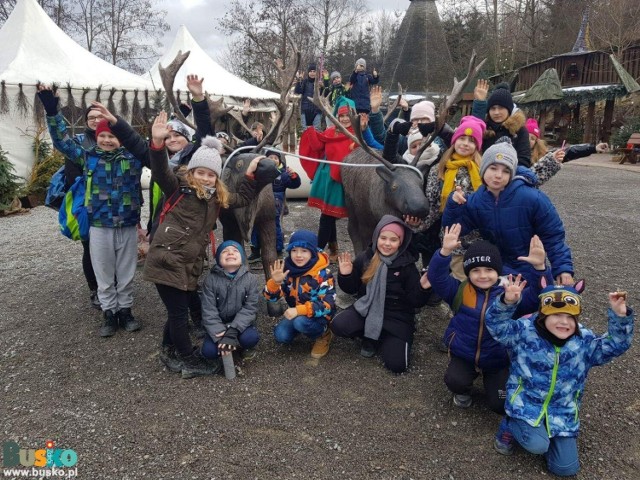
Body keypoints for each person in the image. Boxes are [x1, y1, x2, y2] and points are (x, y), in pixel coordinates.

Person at [144, 112, 264, 379]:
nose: (206, 178)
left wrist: (252, 176)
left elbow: (242, 198)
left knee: (180, 308)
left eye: (211, 175)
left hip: (188, 264)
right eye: (201, 173)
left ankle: (168, 348)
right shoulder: (177, 186)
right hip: (167, 260)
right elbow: (160, 168)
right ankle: (188, 357)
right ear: (192, 171)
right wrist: (156, 143)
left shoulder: (215, 198)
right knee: (178, 313)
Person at [486, 279, 634, 477]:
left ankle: (549, 434)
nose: (564, 322)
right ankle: (510, 424)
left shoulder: (584, 341)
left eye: (570, 317)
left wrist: (620, 316)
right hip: (525, 406)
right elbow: (496, 326)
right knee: (538, 445)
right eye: (556, 315)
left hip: (563, 414)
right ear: (542, 315)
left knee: (566, 469)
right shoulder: (524, 332)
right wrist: (507, 302)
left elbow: (616, 345)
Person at [428, 225, 551, 410]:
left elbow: (541, 297)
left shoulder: (510, 294)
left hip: (498, 358)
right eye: (475, 270)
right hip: (465, 352)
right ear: (468, 273)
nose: (483, 275)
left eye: (488, 269)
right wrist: (444, 252)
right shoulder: (460, 291)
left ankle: (497, 380)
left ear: (497, 271)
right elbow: (436, 277)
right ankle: (463, 389)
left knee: (500, 405)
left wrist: (540, 268)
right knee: (455, 381)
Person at [53, 113, 148, 337]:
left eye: (112, 136)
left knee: (126, 271)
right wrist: (51, 111)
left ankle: (125, 311)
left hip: (127, 223)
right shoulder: (88, 158)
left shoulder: (133, 158)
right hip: (99, 224)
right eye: (102, 135)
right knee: (103, 271)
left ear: (121, 139)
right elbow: (61, 141)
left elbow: (149, 150)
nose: (106, 140)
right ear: (96, 138)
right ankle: (109, 312)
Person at [442, 139, 575, 286]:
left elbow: (553, 236)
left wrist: (563, 268)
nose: (498, 175)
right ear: (483, 168)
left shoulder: (532, 198)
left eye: (506, 171)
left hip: (530, 268)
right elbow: (455, 229)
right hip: (496, 271)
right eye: (493, 168)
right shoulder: (476, 200)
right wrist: (453, 204)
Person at [332, 216, 433, 373]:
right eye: (383, 238)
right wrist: (346, 275)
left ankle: (382, 336)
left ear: (401, 242)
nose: (387, 243)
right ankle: (371, 336)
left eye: (393, 240)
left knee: (397, 365)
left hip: (397, 316)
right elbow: (352, 289)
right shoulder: (365, 258)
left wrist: (423, 288)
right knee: (338, 325)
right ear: (376, 237)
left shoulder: (407, 265)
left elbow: (415, 301)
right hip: (368, 309)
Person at [37, 86, 102, 309]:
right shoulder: (81, 144)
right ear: (86, 121)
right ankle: (95, 289)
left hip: (116, 206)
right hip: (88, 205)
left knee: (114, 248)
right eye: (91, 117)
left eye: (100, 116)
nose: (95, 120)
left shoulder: (117, 140)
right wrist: (51, 110)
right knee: (90, 247)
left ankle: (113, 286)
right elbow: (60, 140)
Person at [299, 99, 382, 260]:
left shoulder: (359, 132)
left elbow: (376, 148)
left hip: (349, 181)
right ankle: (327, 250)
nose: (344, 119)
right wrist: (310, 129)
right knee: (327, 216)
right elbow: (317, 146)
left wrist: (364, 131)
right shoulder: (331, 131)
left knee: (344, 218)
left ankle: (321, 252)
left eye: (347, 115)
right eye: (341, 115)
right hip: (329, 179)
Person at [410, 116, 486, 279]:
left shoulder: (483, 170)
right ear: (454, 141)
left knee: (481, 280)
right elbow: (434, 206)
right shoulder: (439, 170)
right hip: (453, 239)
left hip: (480, 238)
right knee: (459, 280)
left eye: (471, 141)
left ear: (477, 146)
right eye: (462, 138)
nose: (465, 144)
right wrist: (418, 225)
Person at [265, 230, 336, 359]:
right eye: (294, 250)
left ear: (313, 252)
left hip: (319, 316)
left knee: (300, 323)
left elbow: (328, 305)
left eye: (304, 251)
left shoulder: (323, 274)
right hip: (297, 314)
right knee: (281, 336)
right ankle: (302, 326)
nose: (298, 255)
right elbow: (272, 298)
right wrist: (275, 283)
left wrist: (299, 310)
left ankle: (323, 333)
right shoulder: (286, 270)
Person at [200, 240, 260, 363]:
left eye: (235, 251)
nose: (230, 253)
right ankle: (223, 344)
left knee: (250, 338)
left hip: (240, 325)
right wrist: (220, 334)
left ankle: (240, 343)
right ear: (218, 259)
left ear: (242, 258)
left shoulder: (250, 279)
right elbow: (208, 310)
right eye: (225, 252)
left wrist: (232, 331)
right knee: (209, 352)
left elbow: (250, 308)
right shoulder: (210, 280)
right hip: (219, 323)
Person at [248, 148, 301, 262]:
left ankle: (278, 250)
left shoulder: (284, 175)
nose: (273, 160)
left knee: (275, 227)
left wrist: (294, 175)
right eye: (270, 157)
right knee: (255, 227)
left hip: (275, 206)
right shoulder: (259, 172)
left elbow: (295, 184)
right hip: (259, 204)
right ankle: (255, 251)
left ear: (280, 160)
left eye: (275, 158)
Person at [472, 79, 531, 166]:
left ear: (509, 110)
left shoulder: (520, 131)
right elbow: (473, 129)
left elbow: (524, 160)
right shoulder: (484, 128)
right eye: (493, 108)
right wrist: (479, 104)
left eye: (501, 108)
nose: (496, 112)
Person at [294, 64, 322, 130]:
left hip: (317, 110)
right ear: (308, 72)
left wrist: (324, 84)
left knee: (316, 130)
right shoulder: (305, 82)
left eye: (314, 71)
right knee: (305, 130)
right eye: (311, 71)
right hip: (305, 110)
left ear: (317, 73)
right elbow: (298, 91)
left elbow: (326, 93)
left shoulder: (320, 83)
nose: (312, 73)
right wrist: (299, 80)